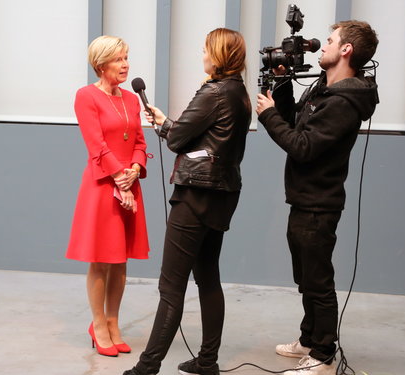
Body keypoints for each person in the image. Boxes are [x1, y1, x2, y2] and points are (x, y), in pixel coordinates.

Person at [122, 28, 251, 375]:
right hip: (223, 193)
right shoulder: (239, 92)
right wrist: (167, 124)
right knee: (208, 277)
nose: (203, 55)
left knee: (170, 286)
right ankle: (207, 360)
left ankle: (146, 368)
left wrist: (167, 128)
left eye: (207, 50)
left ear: (219, 55)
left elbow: (179, 139)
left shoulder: (214, 92)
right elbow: (201, 136)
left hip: (196, 193)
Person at [256, 21, 379, 375]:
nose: (321, 46)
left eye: (329, 41)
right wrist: (280, 86)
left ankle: (324, 354)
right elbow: (295, 122)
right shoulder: (324, 90)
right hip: (304, 199)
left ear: (346, 50)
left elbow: (303, 147)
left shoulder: (344, 101)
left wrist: (266, 116)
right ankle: (309, 338)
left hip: (318, 204)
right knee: (306, 277)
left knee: (318, 281)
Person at [66, 35, 150, 357]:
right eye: (118, 59)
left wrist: (135, 168)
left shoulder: (131, 100)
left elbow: (140, 142)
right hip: (103, 187)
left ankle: (114, 322)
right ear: (101, 64)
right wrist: (119, 177)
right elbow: (96, 144)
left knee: (121, 261)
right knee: (102, 260)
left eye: (127, 57)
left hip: (129, 184)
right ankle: (98, 324)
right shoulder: (86, 96)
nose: (125, 64)